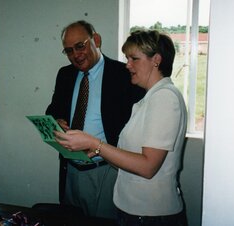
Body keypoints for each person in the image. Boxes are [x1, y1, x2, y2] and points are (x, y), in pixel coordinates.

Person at [54, 29, 188, 226]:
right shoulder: (148, 99)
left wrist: (95, 144)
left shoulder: (164, 98)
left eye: (134, 59)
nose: (128, 65)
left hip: (151, 214)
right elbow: (128, 159)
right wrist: (97, 150)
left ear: (156, 60)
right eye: (127, 58)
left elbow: (148, 167)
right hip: (135, 210)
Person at [45, 20, 145, 219]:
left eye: (80, 46)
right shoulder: (65, 74)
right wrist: (58, 119)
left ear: (96, 40)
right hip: (70, 169)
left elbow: (140, 121)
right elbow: (53, 109)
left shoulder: (123, 74)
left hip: (107, 170)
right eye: (69, 50)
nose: (75, 55)